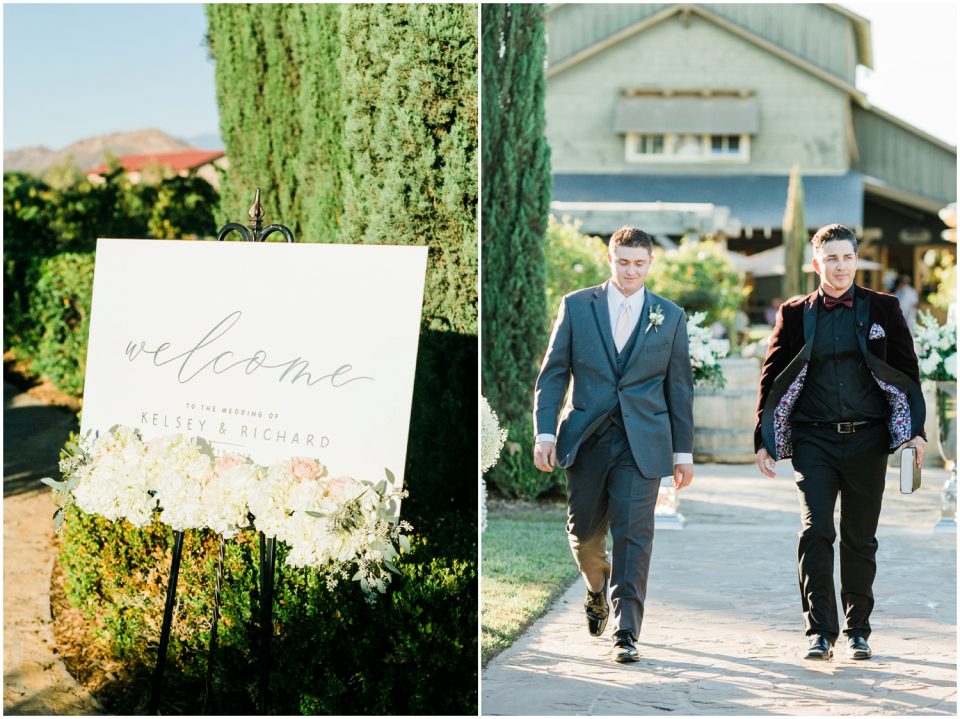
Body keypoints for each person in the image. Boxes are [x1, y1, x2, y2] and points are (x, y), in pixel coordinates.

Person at [754, 224, 926, 662]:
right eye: (831, 258)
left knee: (860, 537)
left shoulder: (883, 309)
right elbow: (772, 375)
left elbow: (907, 371)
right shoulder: (794, 313)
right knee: (816, 530)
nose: (841, 266)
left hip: (868, 438)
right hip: (814, 440)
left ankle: (858, 630)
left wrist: (916, 432)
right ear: (816, 264)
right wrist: (764, 436)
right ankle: (819, 632)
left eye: (847, 257)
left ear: (856, 260)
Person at [533, 226, 694, 663]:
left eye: (639, 263)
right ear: (611, 259)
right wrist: (544, 433)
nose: (631, 271)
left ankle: (626, 632)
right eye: (623, 262)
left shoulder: (670, 315)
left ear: (650, 264)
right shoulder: (576, 306)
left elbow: (679, 388)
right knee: (584, 536)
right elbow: (552, 375)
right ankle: (595, 584)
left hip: (642, 444)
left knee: (634, 537)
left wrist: (683, 452)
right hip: (586, 439)